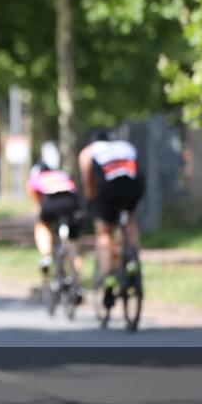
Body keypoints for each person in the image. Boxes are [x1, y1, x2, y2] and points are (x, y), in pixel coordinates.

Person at [78, 130, 146, 308]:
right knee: (130, 220)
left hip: (109, 186)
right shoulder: (125, 146)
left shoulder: (88, 152)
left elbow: (88, 186)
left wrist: (94, 206)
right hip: (134, 184)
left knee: (104, 232)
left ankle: (108, 277)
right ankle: (132, 259)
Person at [27, 161, 82, 293]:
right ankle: (77, 282)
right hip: (71, 202)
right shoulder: (61, 175)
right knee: (73, 244)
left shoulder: (36, 179)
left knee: (42, 224)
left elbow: (37, 203)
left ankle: (46, 256)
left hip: (50, 202)